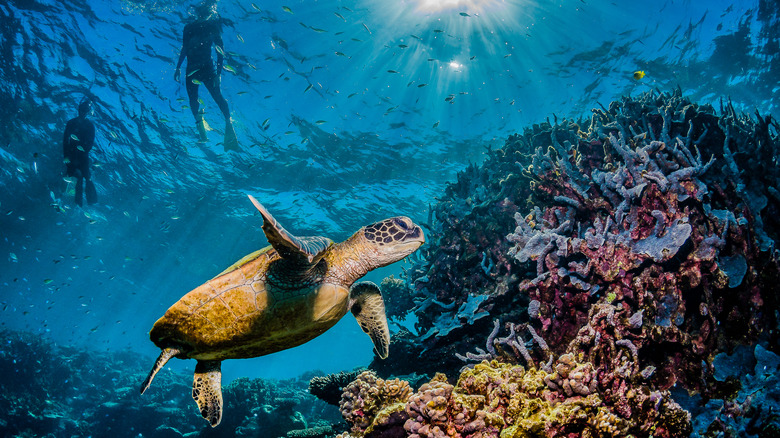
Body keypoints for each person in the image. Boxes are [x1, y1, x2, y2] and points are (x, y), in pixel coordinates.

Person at [174, 0, 238, 151]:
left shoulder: (213, 26)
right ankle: (200, 125)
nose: (204, 16)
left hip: (207, 68)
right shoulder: (188, 27)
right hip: (192, 69)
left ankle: (228, 122)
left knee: (217, 96)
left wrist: (219, 73)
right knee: (192, 99)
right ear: (199, 13)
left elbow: (219, 50)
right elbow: (184, 48)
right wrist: (177, 68)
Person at [63, 98, 98, 206]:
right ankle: (76, 203)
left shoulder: (90, 126)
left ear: (88, 112)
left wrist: (82, 151)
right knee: (74, 176)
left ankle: (89, 201)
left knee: (86, 177)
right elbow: (65, 141)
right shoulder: (71, 123)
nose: (83, 112)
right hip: (71, 154)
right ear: (78, 110)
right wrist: (66, 157)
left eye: (85, 110)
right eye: (82, 109)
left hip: (83, 156)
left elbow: (90, 143)